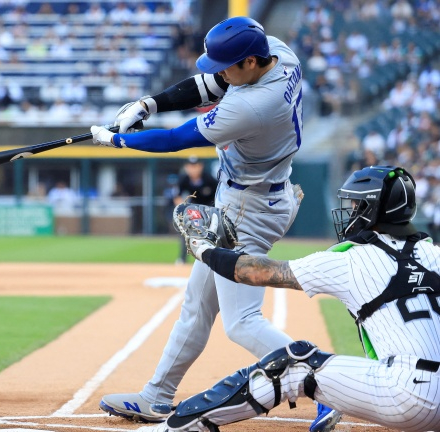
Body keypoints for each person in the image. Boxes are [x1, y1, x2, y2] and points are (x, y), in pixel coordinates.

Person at [91, 16, 340, 432]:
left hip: (247, 210)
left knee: (241, 322)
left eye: (227, 65)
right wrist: (149, 104)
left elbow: (175, 139)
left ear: (249, 62)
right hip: (256, 195)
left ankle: (330, 385)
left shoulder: (253, 106)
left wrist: (116, 139)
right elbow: (210, 85)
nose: (219, 72)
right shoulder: (279, 54)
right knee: (197, 305)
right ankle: (157, 395)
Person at [143, 165, 440, 432]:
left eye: (356, 205)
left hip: (407, 399)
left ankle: (179, 427)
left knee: (294, 361)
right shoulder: (434, 253)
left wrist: (204, 249)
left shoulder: (351, 259)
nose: (350, 212)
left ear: (372, 210)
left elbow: (255, 273)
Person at [174, 156, 218, 264]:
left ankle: (213, 258)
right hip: (193, 208)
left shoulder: (209, 179)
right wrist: (182, 210)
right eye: (190, 166)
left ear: (201, 167)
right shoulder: (184, 179)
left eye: (195, 166)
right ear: (186, 167)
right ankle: (182, 258)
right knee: (186, 231)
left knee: (211, 234)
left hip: (209, 208)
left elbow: (218, 196)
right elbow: (177, 196)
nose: (193, 169)